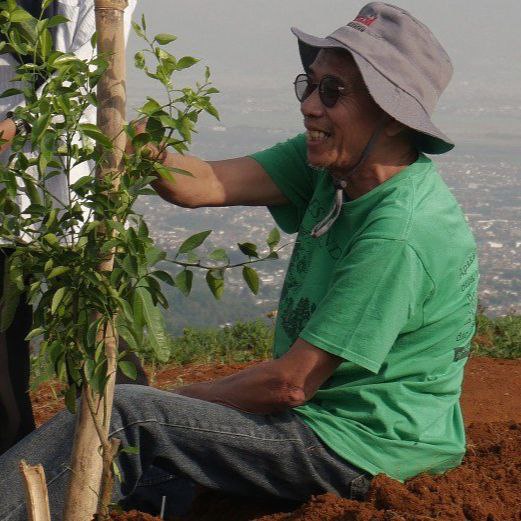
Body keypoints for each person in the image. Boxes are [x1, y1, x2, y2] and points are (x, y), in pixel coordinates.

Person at [0, 3, 479, 519]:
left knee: (126, 415)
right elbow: (203, 183)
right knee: (149, 448)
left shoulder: (400, 233)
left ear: (390, 113)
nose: (310, 106)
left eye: (333, 92)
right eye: (309, 84)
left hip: (360, 450)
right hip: (321, 424)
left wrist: (180, 399)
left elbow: (289, 384)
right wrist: (129, 140)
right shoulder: (334, 167)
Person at [0, 0, 147, 457]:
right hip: (13, 188)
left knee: (97, 335)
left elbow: (85, 66)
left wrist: (17, 122)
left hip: (69, 177)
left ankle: (138, 474)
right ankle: (14, 482)